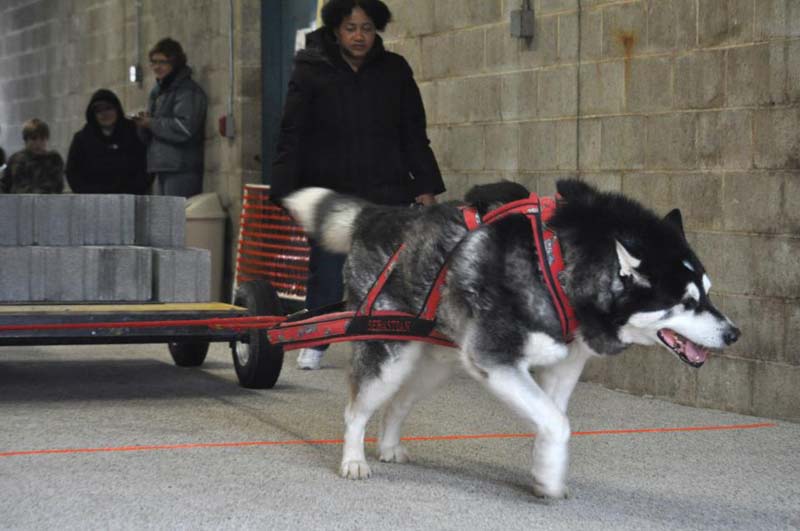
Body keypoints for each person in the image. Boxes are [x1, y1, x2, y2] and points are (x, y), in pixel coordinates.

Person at [270, 0, 445, 370]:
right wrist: (285, 188)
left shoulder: (394, 70)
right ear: (336, 29)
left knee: (388, 266)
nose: (359, 36)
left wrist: (425, 185)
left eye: (366, 28)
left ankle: (385, 339)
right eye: (351, 28)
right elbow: (292, 132)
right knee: (329, 265)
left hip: (386, 184)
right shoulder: (311, 69)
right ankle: (318, 338)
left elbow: (413, 133)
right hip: (331, 186)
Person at [133, 37, 207, 198]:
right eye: (153, 62)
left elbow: (185, 128)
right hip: (162, 164)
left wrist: (151, 123)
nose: (156, 67)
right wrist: (143, 124)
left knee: (177, 217)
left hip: (181, 167)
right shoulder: (158, 91)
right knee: (165, 218)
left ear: (175, 63)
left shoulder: (187, 91)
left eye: (162, 62)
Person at [66, 89, 149, 194]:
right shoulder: (82, 139)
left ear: (117, 109)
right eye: (99, 111)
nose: (104, 114)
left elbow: (145, 166)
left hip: (129, 198)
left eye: (108, 108)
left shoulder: (133, 134)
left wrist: (133, 191)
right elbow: (73, 172)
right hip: (93, 200)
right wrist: (89, 193)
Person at [1, 118, 64, 194]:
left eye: (42, 139)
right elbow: (6, 185)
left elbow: (56, 186)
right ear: (26, 140)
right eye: (34, 139)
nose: (38, 143)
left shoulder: (53, 160)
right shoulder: (16, 160)